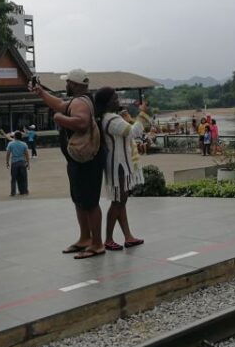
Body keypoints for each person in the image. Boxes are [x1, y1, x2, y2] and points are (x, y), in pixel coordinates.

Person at [32, 69, 105, 259]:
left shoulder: (80, 102)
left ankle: (97, 243)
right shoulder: (79, 101)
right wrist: (41, 93)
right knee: (80, 200)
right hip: (79, 160)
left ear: (74, 84)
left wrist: (59, 119)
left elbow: (81, 122)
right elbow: (60, 104)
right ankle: (85, 238)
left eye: (68, 83)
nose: (66, 85)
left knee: (89, 201)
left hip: (86, 161)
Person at [94, 87, 150, 251]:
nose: (117, 100)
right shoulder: (112, 119)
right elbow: (134, 132)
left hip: (119, 165)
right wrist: (142, 114)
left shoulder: (109, 118)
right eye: (115, 98)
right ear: (107, 102)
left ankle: (128, 237)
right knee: (118, 202)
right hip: (119, 165)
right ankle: (109, 239)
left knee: (121, 202)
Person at [6, 131, 30, 196]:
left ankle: (13, 192)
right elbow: (26, 154)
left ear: (14, 136)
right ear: (21, 137)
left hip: (14, 162)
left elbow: (8, 154)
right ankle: (24, 191)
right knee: (23, 177)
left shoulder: (10, 144)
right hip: (22, 162)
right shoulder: (24, 144)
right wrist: (28, 163)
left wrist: (7, 162)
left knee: (13, 178)